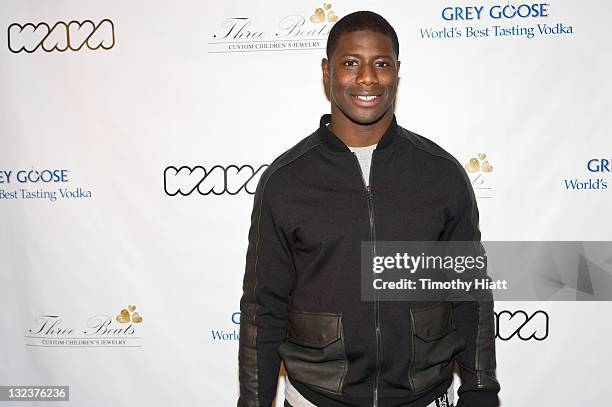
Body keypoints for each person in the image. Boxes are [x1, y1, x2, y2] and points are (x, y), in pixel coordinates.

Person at [238, 10, 500, 407]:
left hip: (424, 397)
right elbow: (264, 307)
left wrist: (481, 390)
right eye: (350, 63)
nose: (367, 78)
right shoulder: (286, 180)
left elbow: (470, 294)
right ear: (327, 72)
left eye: (381, 64)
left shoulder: (441, 174)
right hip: (316, 397)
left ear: (397, 71)